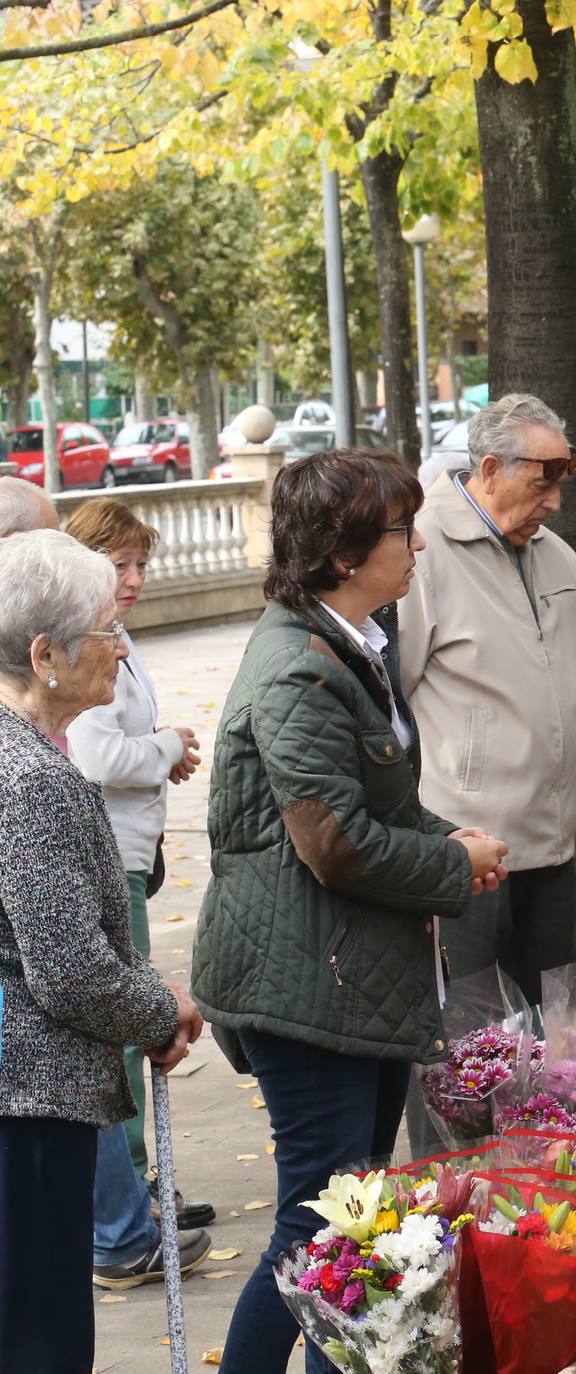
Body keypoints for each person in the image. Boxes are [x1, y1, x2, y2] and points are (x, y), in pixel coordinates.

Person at [197, 449, 509, 1374]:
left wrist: (452, 843)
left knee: (357, 1217)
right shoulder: (299, 665)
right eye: (397, 533)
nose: (416, 546)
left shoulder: (343, 641)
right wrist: (449, 866)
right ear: (342, 554)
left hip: (345, 979)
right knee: (316, 1220)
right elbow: (331, 843)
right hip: (304, 986)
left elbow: (379, 803)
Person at [0, 530, 208, 1369]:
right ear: (46, 654)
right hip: (28, 1098)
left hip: (26, 1090)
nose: (121, 647)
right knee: (38, 1332)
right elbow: (69, 971)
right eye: (103, 632)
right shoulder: (29, 779)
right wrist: (162, 1009)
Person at [395, 393, 576, 1005]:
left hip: (550, 843)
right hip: (464, 848)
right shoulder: (424, 552)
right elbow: (387, 701)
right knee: (462, 1037)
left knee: (543, 1035)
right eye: (543, 482)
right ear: (489, 470)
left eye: (563, 481)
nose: (556, 502)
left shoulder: (553, 551)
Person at [63, 499, 215, 1250]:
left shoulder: (115, 636)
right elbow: (95, 756)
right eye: (118, 563)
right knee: (125, 1029)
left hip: (129, 851)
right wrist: (162, 748)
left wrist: (160, 749)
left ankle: (138, 1193)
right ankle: (127, 1206)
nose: (134, 578)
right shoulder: (86, 643)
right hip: (111, 855)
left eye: (140, 564)